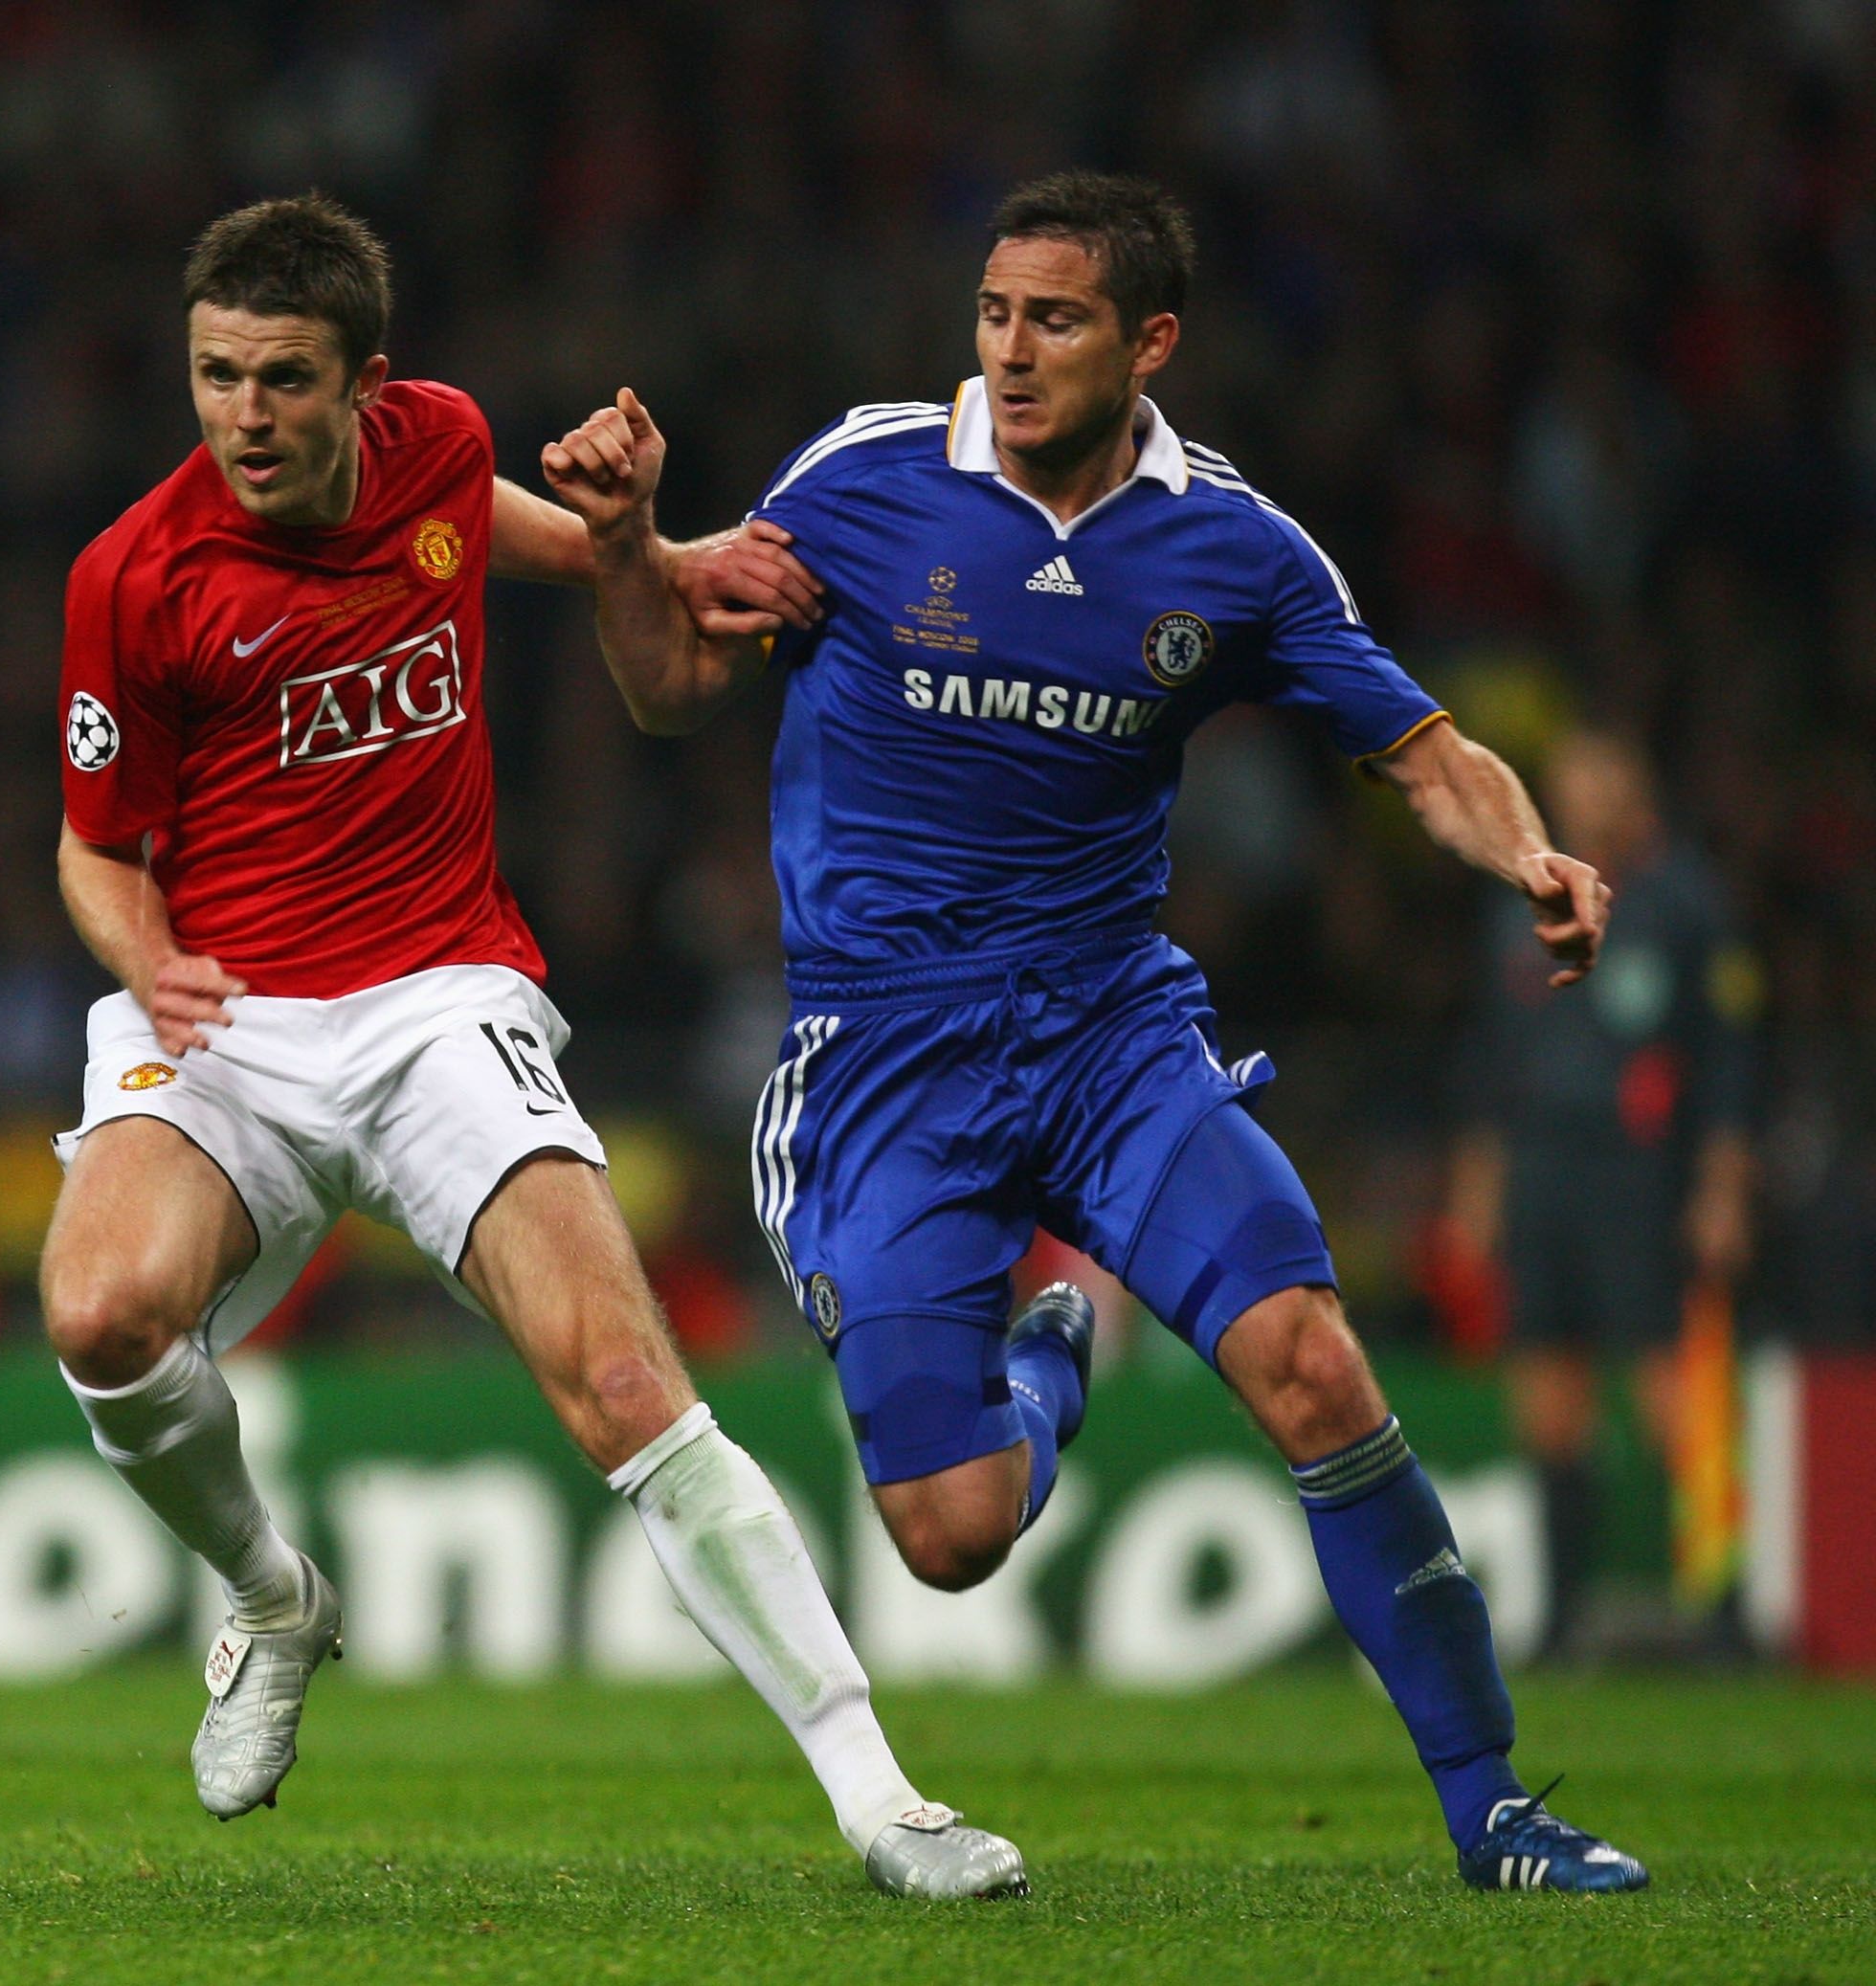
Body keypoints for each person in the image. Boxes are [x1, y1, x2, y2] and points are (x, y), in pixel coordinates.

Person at [546, 170, 1648, 1893]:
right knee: (953, 1533)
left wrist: (1529, 854)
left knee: (1315, 1362)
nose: (1010, 349)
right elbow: (670, 686)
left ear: (1150, 342)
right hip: (887, 1057)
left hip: (1112, 1029)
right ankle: (1046, 1371)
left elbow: (1424, 751)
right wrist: (626, 548)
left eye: (1054, 320)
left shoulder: (1235, 547)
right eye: (994, 313)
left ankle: (1494, 1807)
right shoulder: (864, 479)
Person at [39, 194, 1025, 1901]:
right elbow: (91, 847)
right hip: (225, 1011)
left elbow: (464, 520)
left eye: (284, 380)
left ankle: (885, 1800)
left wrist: (653, 551)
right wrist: (153, 961)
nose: (244, 416)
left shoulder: (439, 445)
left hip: (437, 995)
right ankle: (274, 1597)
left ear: (369, 388)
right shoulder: (137, 576)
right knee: (99, 1315)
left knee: (628, 1385)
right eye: (215, 376)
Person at [1446, 727, 1759, 1653]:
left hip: (1641, 1170)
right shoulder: (1518, 900)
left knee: (1671, 1388)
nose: (1585, 794)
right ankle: (1560, 1617)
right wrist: (1478, 1185)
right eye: (1572, 777)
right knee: (1548, 1389)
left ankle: (1725, 1612)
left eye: (1602, 775)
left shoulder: (1685, 901)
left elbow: (1729, 1060)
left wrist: (1723, 1188)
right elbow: (1491, 1058)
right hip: (1541, 1167)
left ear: (1636, 784)